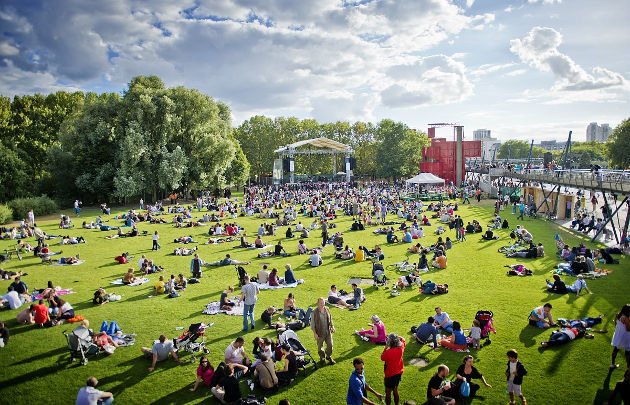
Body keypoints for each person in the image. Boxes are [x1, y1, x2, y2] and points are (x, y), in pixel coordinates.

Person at [381, 333, 406, 405]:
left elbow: (382, 358)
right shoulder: (401, 348)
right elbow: (403, 339)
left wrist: (385, 347)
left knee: (388, 392)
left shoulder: (388, 352)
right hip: (399, 372)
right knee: (395, 390)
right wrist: (398, 337)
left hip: (390, 374)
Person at [311, 297, 335, 365]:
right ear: (318, 303)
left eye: (323, 303)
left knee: (330, 345)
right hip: (319, 333)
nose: (322, 304)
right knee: (320, 347)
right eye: (321, 303)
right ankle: (322, 358)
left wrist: (332, 327)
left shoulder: (327, 309)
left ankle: (328, 356)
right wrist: (315, 333)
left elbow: (330, 319)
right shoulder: (314, 312)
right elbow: (312, 324)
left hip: (328, 332)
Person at [611, 304, 630, 370]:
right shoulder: (626, 318)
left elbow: (615, 324)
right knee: (627, 352)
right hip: (625, 336)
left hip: (618, 335)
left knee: (616, 349)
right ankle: (628, 367)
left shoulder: (618, 315)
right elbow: (628, 329)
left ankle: (612, 364)